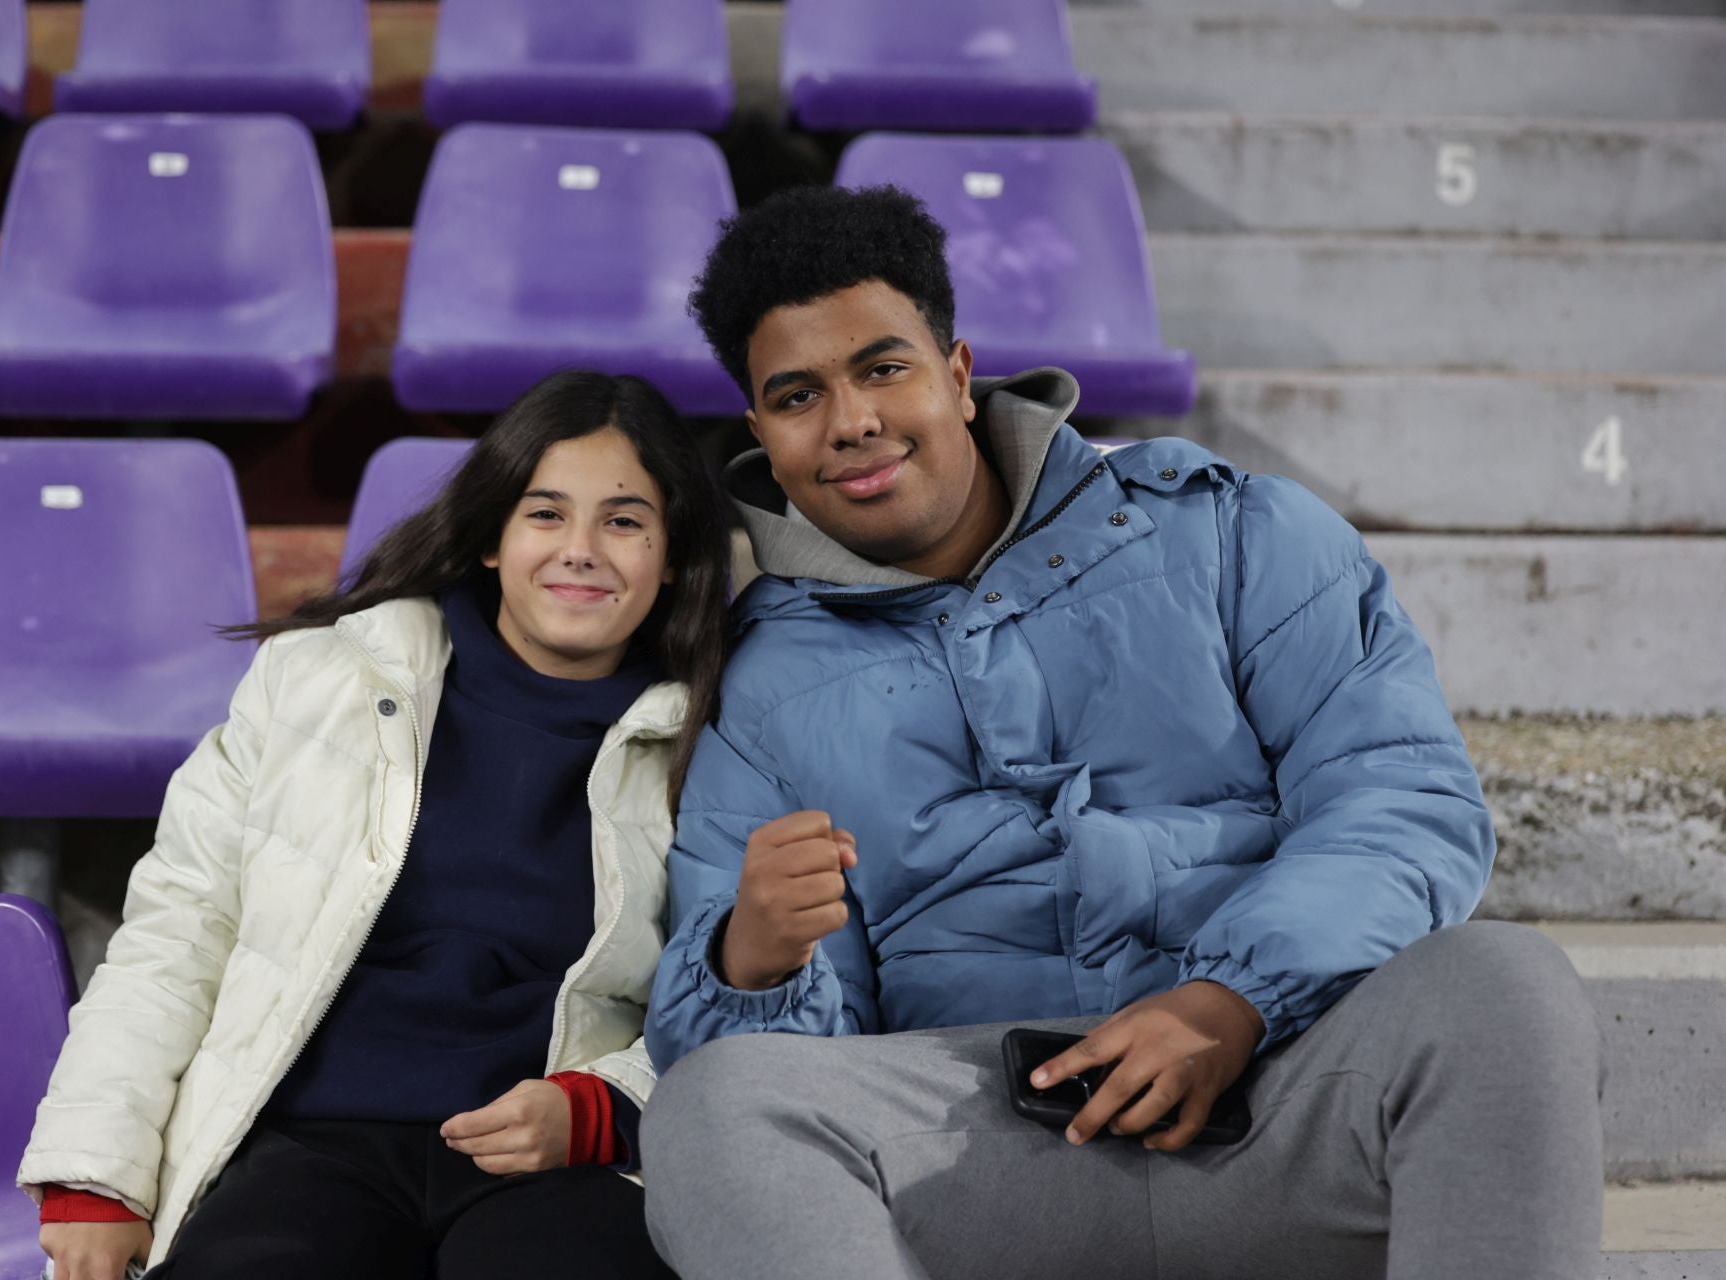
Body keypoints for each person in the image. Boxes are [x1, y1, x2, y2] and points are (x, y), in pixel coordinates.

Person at [637, 185, 1603, 1280]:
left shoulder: (1238, 531)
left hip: (1284, 1091)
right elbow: (766, 1061)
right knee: (715, 1110)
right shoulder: (757, 683)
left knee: (1503, 984)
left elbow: (1404, 800)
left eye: (883, 367)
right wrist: (753, 965)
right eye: (798, 394)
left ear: (957, 373)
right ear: (761, 431)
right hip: (977, 1146)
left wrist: (1233, 997)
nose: (851, 419)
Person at [19, 371, 731, 1280]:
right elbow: (179, 930)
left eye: (625, 521)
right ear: (491, 538)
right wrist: (96, 1178)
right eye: (544, 514)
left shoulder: (714, 734)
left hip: (550, 1153)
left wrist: (606, 1108)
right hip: (311, 1141)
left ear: (672, 554)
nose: (581, 549)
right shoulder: (319, 679)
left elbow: (734, 997)